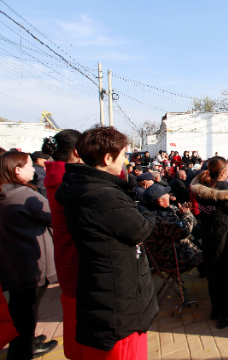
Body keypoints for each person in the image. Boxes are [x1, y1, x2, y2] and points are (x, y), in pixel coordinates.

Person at [55, 126, 158, 357]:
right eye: (123, 155)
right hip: (117, 295)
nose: (125, 161)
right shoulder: (104, 196)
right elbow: (141, 229)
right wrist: (147, 211)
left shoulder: (81, 186)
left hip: (103, 283)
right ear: (107, 158)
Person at [0, 151, 59, 359]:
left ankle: (26, 342)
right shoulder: (24, 195)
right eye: (28, 166)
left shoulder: (5, 193)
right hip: (31, 263)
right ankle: (23, 349)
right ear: (17, 170)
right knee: (26, 312)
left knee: (19, 309)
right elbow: (52, 216)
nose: (33, 169)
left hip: (11, 262)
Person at [43, 130, 87, 360]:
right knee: (82, 320)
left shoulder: (56, 175)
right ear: (77, 152)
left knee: (74, 314)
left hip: (65, 253)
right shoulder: (69, 181)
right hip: (76, 256)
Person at [190, 156, 228, 328]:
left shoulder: (202, 188)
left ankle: (216, 309)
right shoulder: (224, 192)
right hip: (225, 237)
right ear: (223, 172)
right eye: (227, 169)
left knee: (213, 273)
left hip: (209, 234)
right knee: (225, 275)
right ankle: (224, 315)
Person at [143, 184, 203, 276]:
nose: (169, 195)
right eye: (166, 194)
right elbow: (185, 231)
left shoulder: (149, 214)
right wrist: (186, 214)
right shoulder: (161, 218)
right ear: (159, 200)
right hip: (174, 261)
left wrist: (179, 214)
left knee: (198, 233)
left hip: (163, 258)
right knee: (210, 252)